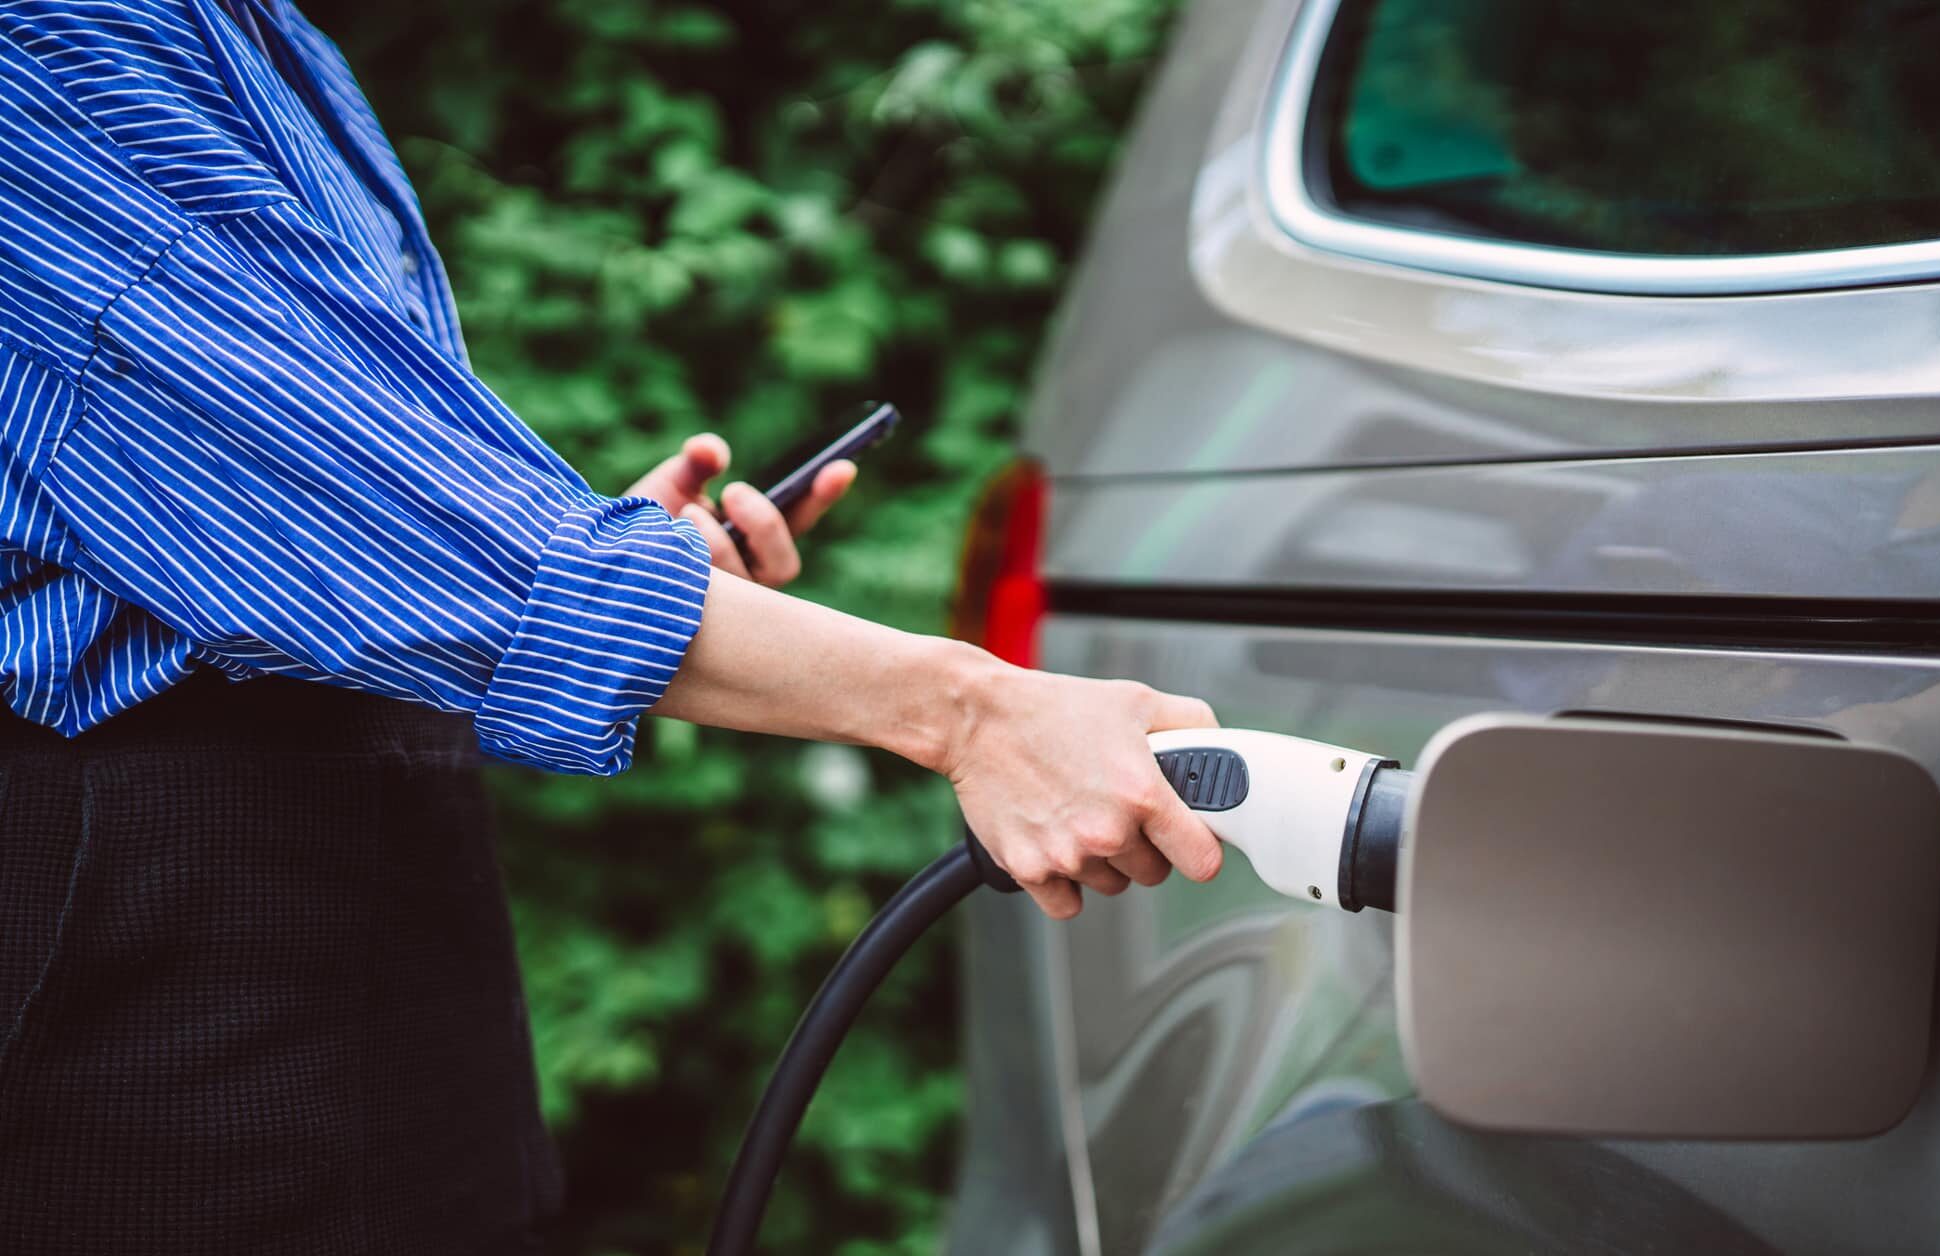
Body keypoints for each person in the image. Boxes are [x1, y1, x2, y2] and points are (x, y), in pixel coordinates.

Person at [0, 2, 1222, 1252]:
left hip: (345, 906)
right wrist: (976, 708)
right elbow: (360, 499)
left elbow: (330, 521)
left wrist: (622, 566)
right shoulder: (49, 48)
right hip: (153, 964)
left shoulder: (261, 35)